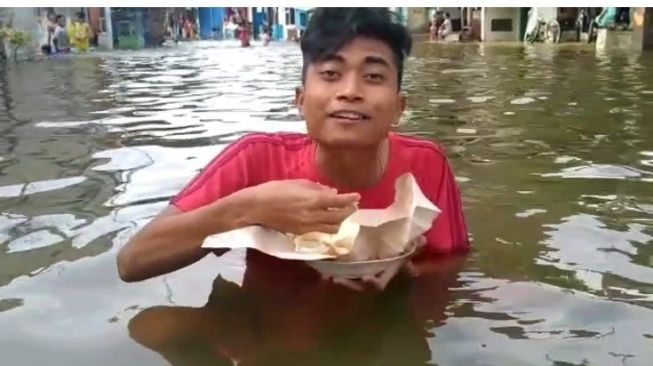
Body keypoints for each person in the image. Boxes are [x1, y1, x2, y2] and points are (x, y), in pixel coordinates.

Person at [116, 8, 470, 291]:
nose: (350, 90)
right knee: (155, 326)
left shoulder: (426, 163)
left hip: (383, 325)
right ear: (300, 101)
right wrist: (250, 208)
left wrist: (406, 271)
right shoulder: (255, 160)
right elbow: (133, 261)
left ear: (399, 106)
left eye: (374, 76)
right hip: (272, 331)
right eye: (331, 73)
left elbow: (452, 266)